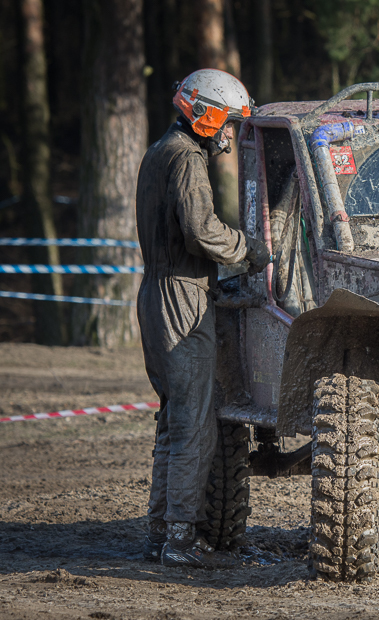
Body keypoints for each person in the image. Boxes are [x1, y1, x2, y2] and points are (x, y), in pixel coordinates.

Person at [135, 69, 270, 569]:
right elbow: (201, 231)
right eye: (229, 123)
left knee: (173, 420)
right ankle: (180, 540)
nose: (231, 134)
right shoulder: (187, 159)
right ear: (208, 114)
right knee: (194, 422)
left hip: (156, 292)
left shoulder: (159, 151)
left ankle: (160, 532)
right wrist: (248, 250)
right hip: (183, 296)